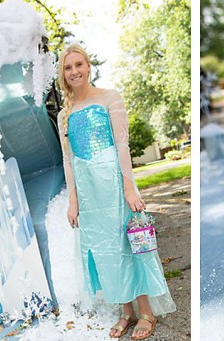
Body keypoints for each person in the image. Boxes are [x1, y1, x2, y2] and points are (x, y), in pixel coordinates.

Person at [56, 44, 175, 340]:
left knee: (128, 245)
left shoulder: (110, 97)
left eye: (79, 64)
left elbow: (122, 145)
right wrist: (73, 200)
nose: (74, 72)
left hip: (112, 183)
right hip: (87, 191)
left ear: (88, 66)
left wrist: (129, 187)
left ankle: (146, 311)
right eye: (68, 68)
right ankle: (126, 311)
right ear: (62, 74)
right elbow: (67, 160)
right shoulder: (63, 115)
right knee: (106, 251)